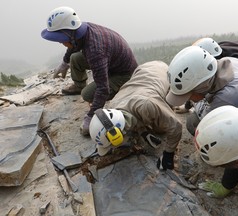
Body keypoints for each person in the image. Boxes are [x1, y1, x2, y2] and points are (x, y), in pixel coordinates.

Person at [41, 6, 138, 136]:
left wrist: (91, 117)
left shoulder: (95, 50)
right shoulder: (81, 31)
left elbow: (103, 88)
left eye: (60, 39)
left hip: (124, 74)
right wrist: (65, 62)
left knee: (87, 94)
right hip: (111, 63)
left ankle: (121, 91)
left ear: (69, 34)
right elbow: (74, 46)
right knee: (74, 57)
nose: (60, 42)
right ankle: (78, 85)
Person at [89, 61, 182, 170]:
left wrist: (168, 154)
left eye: (112, 145)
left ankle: (167, 104)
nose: (113, 149)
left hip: (165, 73)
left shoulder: (146, 106)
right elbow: (130, 117)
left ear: (117, 135)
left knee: (160, 129)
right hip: (142, 70)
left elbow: (176, 127)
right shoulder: (113, 106)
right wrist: (143, 132)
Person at [166, 46, 238, 136]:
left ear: (201, 86)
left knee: (194, 123)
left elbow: (206, 117)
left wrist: (196, 102)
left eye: (188, 95)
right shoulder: (229, 62)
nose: (189, 99)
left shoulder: (228, 95)